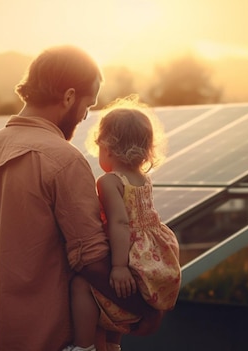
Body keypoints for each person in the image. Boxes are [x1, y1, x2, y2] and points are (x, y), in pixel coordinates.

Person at [0, 46, 156, 351]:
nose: (85, 115)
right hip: (45, 340)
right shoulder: (63, 160)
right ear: (69, 97)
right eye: (88, 105)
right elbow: (91, 259)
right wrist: (148, 310)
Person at [67, 96, 182, 351]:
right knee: (113, 302)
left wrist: (119, 267)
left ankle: (83, 347)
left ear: (106, 147)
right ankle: (112, 346)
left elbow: (120, 223)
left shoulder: (110, 181)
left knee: (81, 285)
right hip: (151, 265)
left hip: (130, 261)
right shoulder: (143, 178)